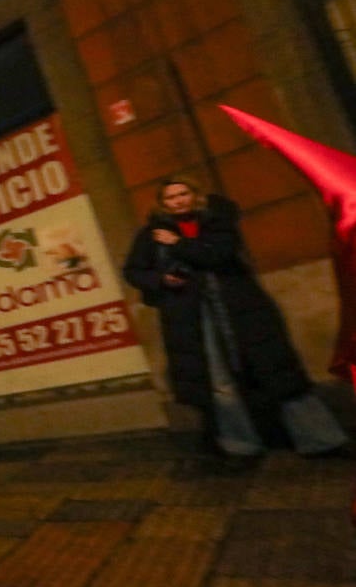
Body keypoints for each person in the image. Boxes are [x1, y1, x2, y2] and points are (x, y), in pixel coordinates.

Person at [123, 177, 349, 464]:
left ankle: (320, 439)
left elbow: (220, 253)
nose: (178, 201)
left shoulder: (217, 220)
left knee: (278, 371)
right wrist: (160, 279)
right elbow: (134, 271)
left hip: (241, 307)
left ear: (195, 195)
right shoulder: (151, 234)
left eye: (183, 194)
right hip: (191, 316)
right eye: (170, 198)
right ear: (162, 203)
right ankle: (240, 446)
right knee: (219, 381)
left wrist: (178, 244)